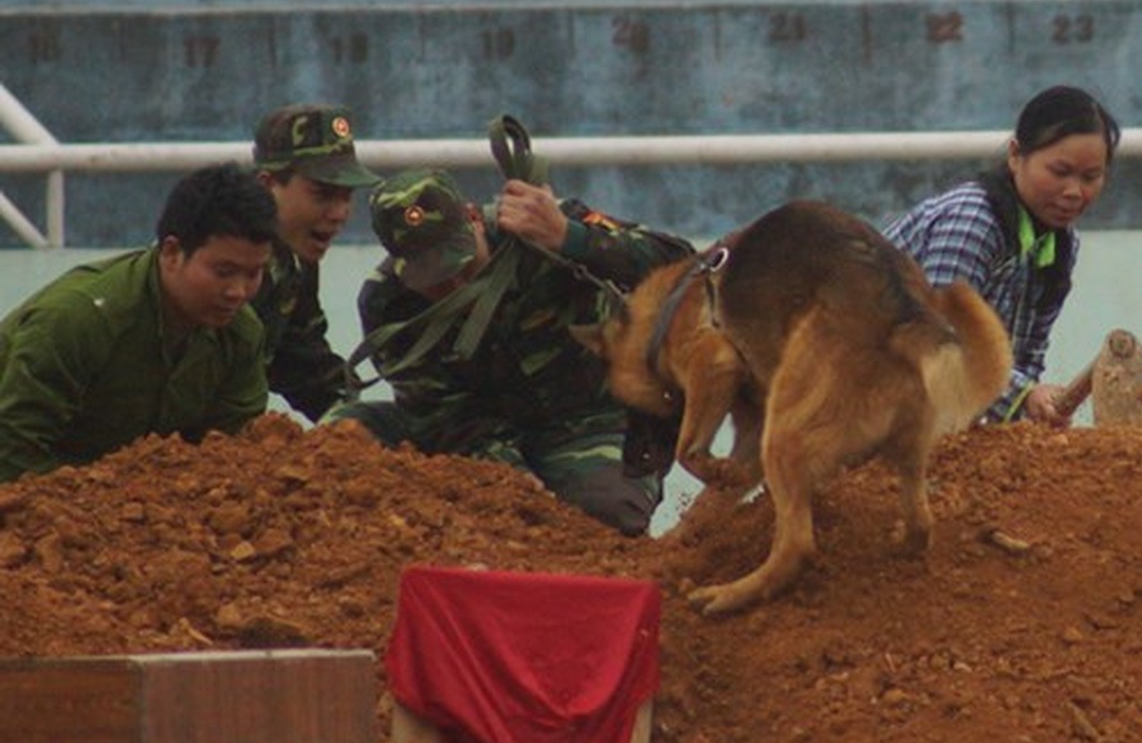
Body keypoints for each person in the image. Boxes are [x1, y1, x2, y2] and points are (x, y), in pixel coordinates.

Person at [330, 168, 695, 536]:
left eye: (464, 265)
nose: (458, 286)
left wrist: (574, 239)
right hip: (472, 434)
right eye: (436, 282)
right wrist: (509, 482)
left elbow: (682, 267)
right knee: (338, 442)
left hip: (587, 421)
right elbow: (443, 416)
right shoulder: (389, 304)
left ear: (473, 218)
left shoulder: (542, 228)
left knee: (608, 514)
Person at [0, 162, 278, 483]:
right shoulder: (80, 319)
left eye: (254, 273)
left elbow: (232, 456)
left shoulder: (242, 334)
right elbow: (10, 452)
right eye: (223, 272)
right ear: (172, 253)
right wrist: (104, 505)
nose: (238, 292)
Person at [883, 85, 1120, 426]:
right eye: (1060, 171)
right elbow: (935, 343)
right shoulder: (972, 222)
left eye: (1090, 177)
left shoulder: (1062, 246)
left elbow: (1028, 355)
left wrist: (1034, 407)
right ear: (1015, 155)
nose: (1074, 192)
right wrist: (1024, 396)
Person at [249, 103, 380, 422]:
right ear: (268, 185)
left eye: (346, 196)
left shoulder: (292, 264)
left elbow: (307, 367)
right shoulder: (214, 263)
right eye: (322, 195)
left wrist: (357, 429)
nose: (338, 214)